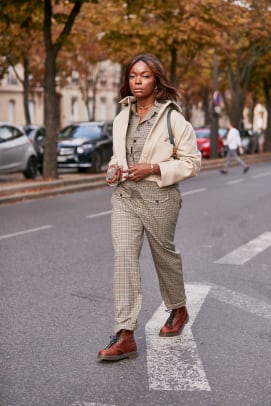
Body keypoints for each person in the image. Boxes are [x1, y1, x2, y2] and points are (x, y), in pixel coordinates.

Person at [97, 54, 201, 362]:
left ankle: (178, 308)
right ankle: (125, 333)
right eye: (132, 75)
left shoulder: (173, 119)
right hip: (125, 197)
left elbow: (192, 163)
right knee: (125, 259)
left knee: (164, 257)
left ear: (157, 80)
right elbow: (119, 157)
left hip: (160, 198)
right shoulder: (121, 118)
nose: (137, 81)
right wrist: (113, 170)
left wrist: (153, 167)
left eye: (144, 76)